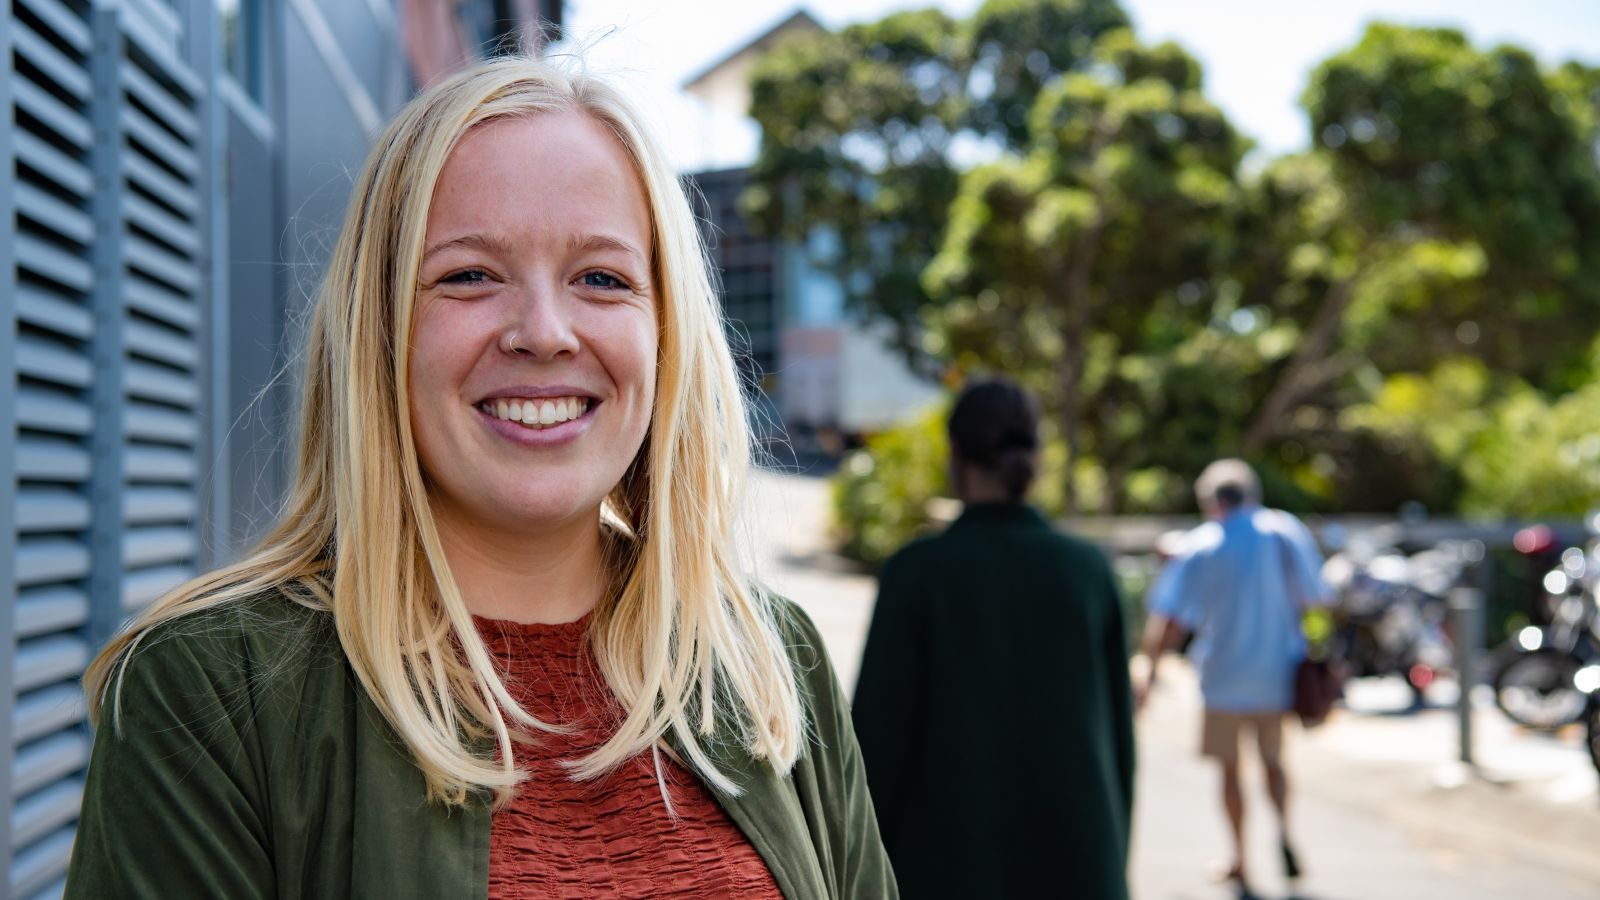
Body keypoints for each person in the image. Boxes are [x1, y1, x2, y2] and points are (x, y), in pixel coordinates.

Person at [65, 58, 895, 899]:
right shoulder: (208, 696)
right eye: (470, 275)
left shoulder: (768, 661)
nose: (544, 332)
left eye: (601, 278)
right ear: (378, 329)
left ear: (666, 331)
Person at [852, 379, 1135, 900]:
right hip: (1081, 863)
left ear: (956, 455)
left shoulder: (918, 574)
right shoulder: (1089, 573)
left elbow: (874, 750)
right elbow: (1119, 743)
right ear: (1036, 457)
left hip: (945, 868)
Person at [1135, 458, 1330, 897]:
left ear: (1212, 501)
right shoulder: (1283, 532)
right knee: (1275, 762)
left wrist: (1149, 669)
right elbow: (1317, 596)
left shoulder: (1202, 544)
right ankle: (1284, 831)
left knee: (1229, 770)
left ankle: (1241, 857)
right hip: (1277, 669)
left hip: (1223, 674)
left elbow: (1169, 618)